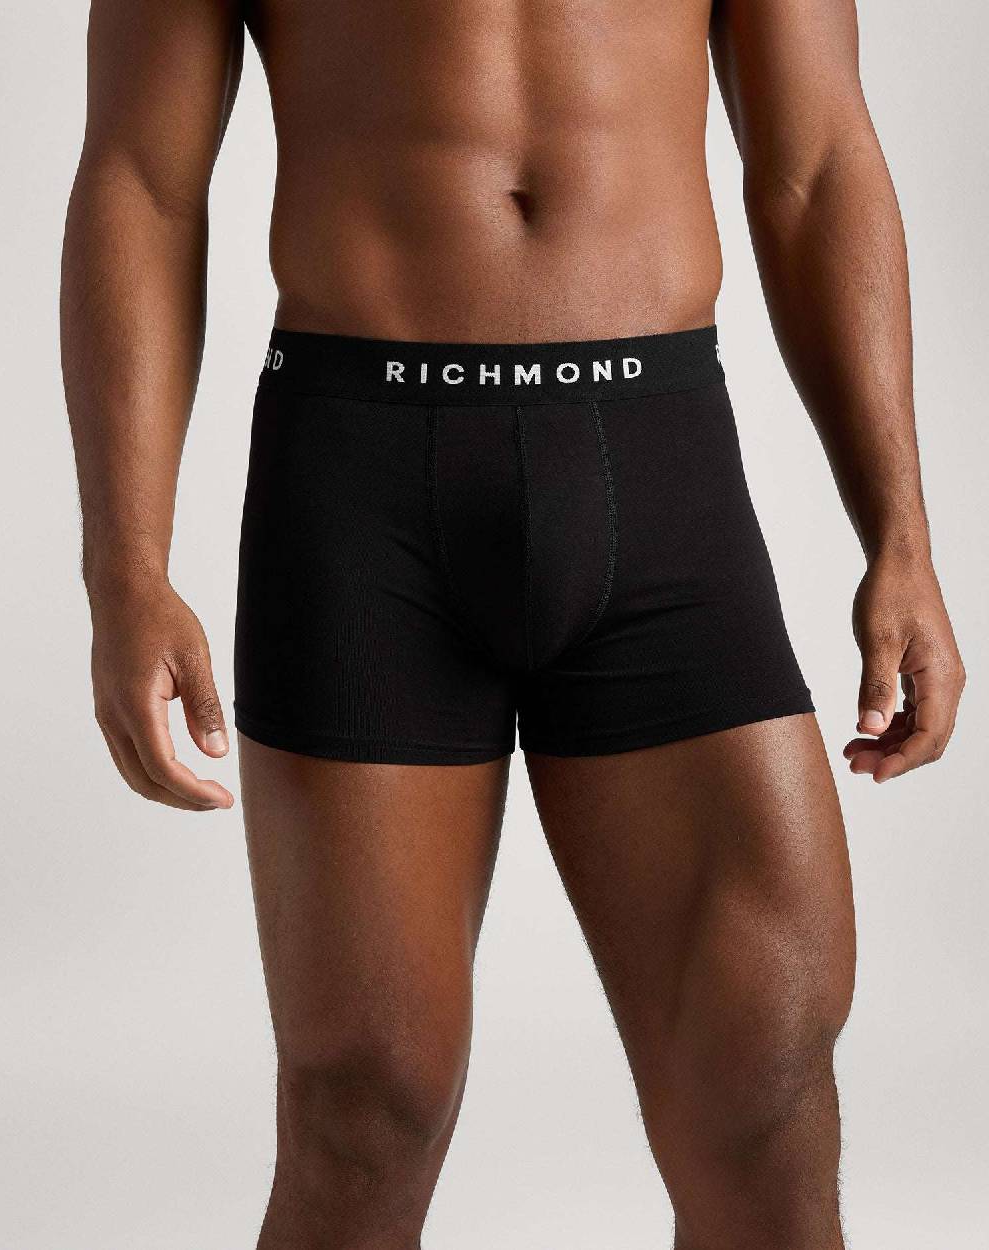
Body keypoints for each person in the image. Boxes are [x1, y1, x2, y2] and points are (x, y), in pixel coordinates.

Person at [61, 1, 965, 1246]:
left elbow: (814, 166)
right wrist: (124, 564)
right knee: (364, 1104)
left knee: (763, 1081)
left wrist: (900, 536)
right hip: (361, 481)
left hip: (657, 462)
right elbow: (142, 181)